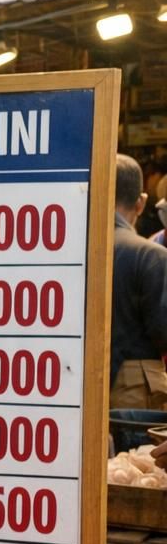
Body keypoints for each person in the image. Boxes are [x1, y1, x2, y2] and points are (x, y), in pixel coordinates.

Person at [109, 153, 167, 410]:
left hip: (72, 386)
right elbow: (162, 329)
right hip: (135, 395)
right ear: (141, 202)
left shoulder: (66, 251)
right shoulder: (151, 255)